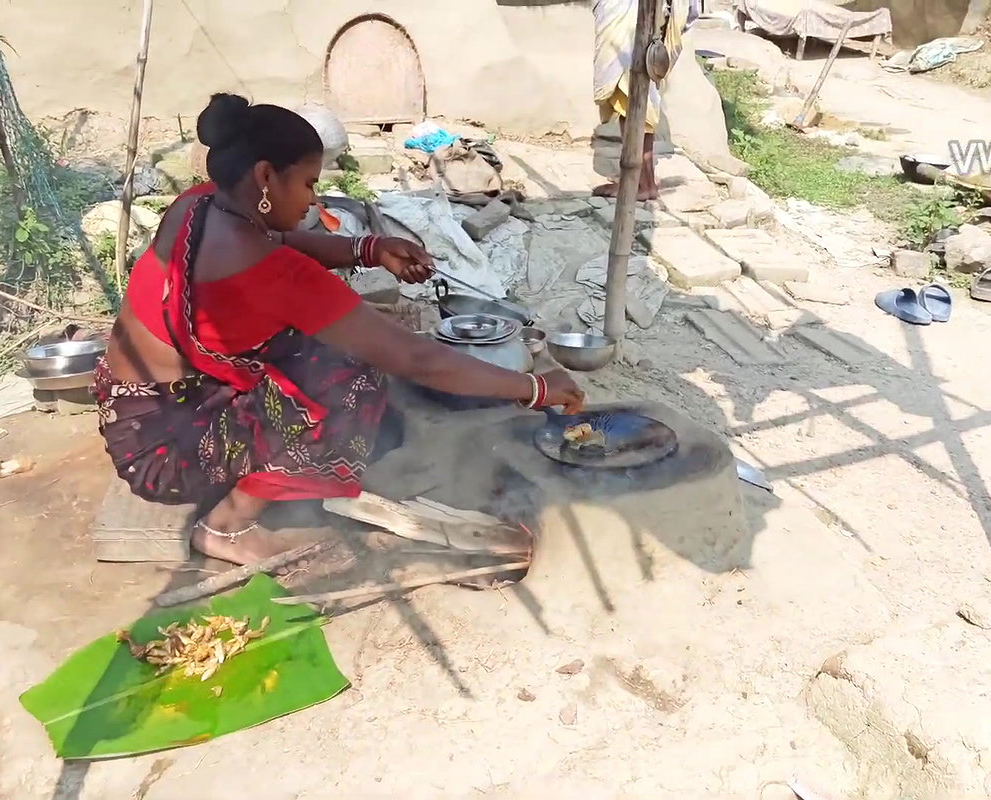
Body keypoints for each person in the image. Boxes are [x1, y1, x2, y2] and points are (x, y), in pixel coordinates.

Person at [96, 93, 585, 567]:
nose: (313, 198)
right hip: (168, 453)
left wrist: (367, 249)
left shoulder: (198, 206)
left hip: (132, 409)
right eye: (309, 184)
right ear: (266, 177)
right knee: (350, 381)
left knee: (316, 349)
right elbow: (415, 359)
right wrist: (535, 387)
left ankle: (260, 478)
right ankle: (229, 525)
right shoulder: (274, 275)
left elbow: (278, 236)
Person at [591, 0, 694, 201]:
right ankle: (640, 179)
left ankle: (642, 183)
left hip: (634, 15)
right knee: (630, 98)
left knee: (634, 96)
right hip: (629, 12)